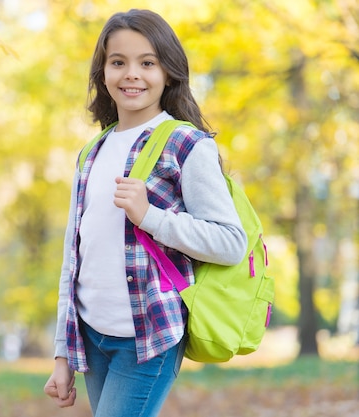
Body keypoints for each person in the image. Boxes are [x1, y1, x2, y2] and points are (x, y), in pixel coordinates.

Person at [43, 9, 248, 417]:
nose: (131, 74)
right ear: (102, 73)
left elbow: (231, 242)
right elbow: (73, 259)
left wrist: (151, 216)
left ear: (169, 72)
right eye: (118, 62)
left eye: (147, 63)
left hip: (149, 336)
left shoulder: (186, 145)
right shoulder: (92, 153)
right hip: (93, 336)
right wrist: (63, 354)